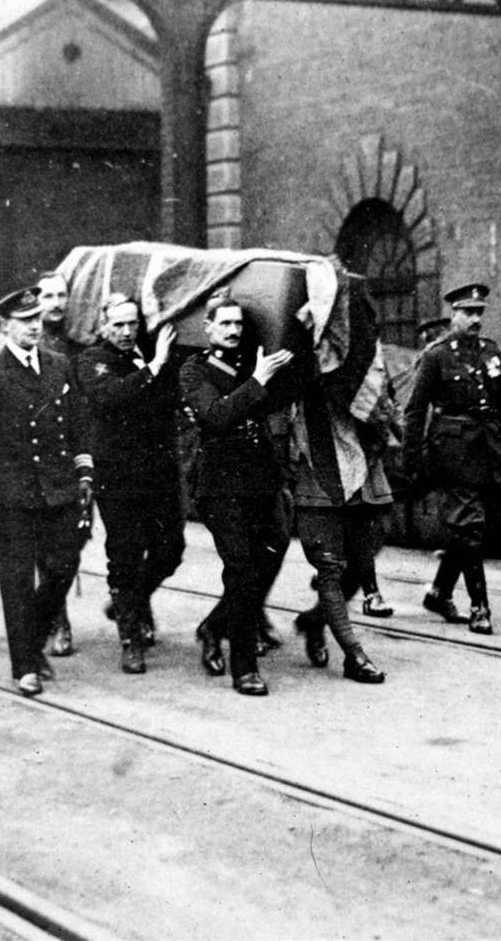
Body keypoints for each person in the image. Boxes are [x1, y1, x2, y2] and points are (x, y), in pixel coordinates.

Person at [0, 286, 94, 695]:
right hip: (13, 494)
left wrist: (84, 473)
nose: (34, 327)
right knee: (17, 580)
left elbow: (78, 424)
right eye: (24, 321)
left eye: (37, 320)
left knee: (63, 567)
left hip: (58, 490)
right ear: (4, 326)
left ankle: (30, 639)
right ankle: (25, 665)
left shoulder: (59, 365)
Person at [180, 289, 297, 696]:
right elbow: (215, 417)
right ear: (208, 327)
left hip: (260, 480)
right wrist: (259, 381)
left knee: (274, 549)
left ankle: (214, 626)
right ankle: (244, 668)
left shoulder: (253, 360)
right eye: (224, 324)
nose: (233, 331)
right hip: (220, 485)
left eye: (238, 324)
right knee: (242, 569)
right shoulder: (194, 370)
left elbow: (287, 389)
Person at [76, 293, 186, 675]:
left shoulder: (152, 351)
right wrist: (155, 366)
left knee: (171, 550)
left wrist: (159, 364)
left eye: (132, 324)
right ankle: (130, 641)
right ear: (103, 325)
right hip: (118, 476)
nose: (126, 332)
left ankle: (131, 601)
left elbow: (173, 396)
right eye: (118, 324)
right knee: (124, 553)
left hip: (159, 473)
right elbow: (110, 398)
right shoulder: (93, 361)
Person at [401, 283, 501, 634]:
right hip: (452, 451)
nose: (475, 319)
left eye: (479, 312)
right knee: (470, 527)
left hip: (487, 449)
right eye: (468, 313)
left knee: (467, 529)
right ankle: (480, 607)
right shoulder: (437, 355)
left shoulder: (491, 352)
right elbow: (415, 410)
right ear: (454, 314)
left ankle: (439, 592)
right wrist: (412, 457)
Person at [286, 360, 390, 685]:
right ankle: (354, 655)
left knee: (361, 566)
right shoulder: (292, 368)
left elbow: (385, 413)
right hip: (317, 478)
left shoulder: (360, 363)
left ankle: (316, 620)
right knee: (330, 568)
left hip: (362, 477)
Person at [33, 271, 87, 657]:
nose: (55, 302)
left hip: (70, 456)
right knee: (45, 548)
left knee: (72, 544)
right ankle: (57, 618)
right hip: (34, 460)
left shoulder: (76, 345)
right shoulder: (23, 341)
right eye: (47, 295)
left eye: (61, 296)